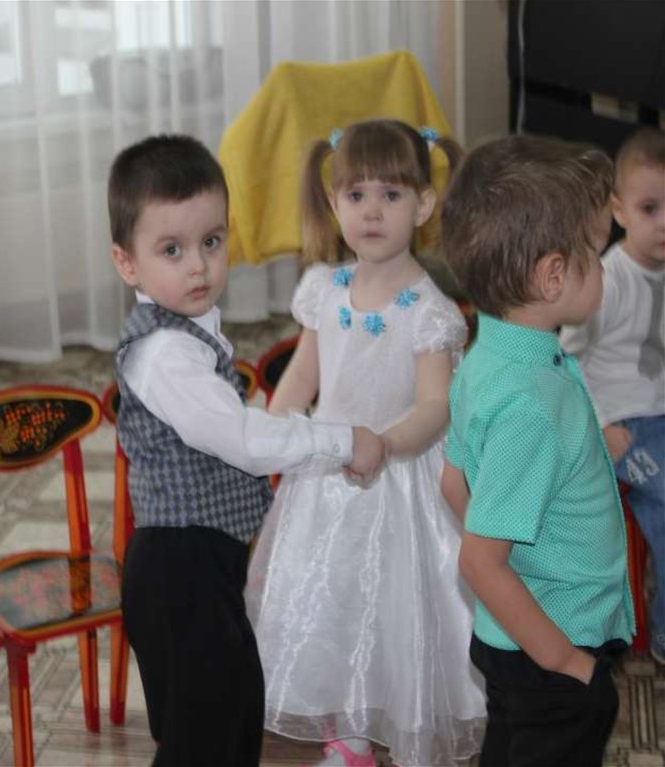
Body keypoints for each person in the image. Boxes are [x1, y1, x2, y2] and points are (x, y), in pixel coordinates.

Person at [108, 134, 385, 767]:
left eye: (211, 241)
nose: (199, 266)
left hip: (207, 564)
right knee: (204, 739)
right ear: (127, 263)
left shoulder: (189, 332)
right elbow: (241, 439)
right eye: (172, 250)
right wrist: (340, 440)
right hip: (178, 570)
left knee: (235, 716)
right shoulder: (163, 353)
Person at [245, 119, 485, 767]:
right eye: (356, 195)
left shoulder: (429, 310)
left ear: (424, 205)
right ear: (334, 203)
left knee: (397, 608)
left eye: (391, 194)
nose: (372, 211)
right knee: (331, 601)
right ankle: (348, 734)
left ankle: (407, 723)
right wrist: (269, 429)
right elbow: (304, 374)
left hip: (399, 481)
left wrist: (385, 442)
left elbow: (435, 405)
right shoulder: (324, 289)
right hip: (327, 477)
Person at [441, 134, 635, 766]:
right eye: (595, 254)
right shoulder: (532, 404)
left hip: (512, 635)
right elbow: (481, 562)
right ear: (553, 276)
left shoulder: (486, 356)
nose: (603, 267)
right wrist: (567, 662)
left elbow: (453, 482)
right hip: (552, 645)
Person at [559, 127, 665, 665]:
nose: (664, 222)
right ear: (619, 210)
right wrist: (599, 424)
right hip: (623, 424)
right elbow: (566, 358)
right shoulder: (607, 281)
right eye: (650, 208)